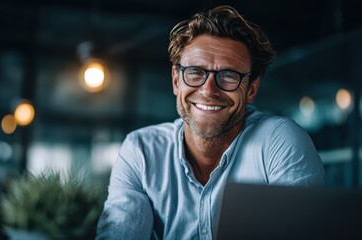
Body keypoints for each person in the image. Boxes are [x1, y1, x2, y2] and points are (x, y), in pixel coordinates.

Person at [96, 5, 325, 240]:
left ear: (252, 89)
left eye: (228, 76)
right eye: (195, 72)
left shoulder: (280, 142)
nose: (208, 90)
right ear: (176, 80)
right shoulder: (140, 152)